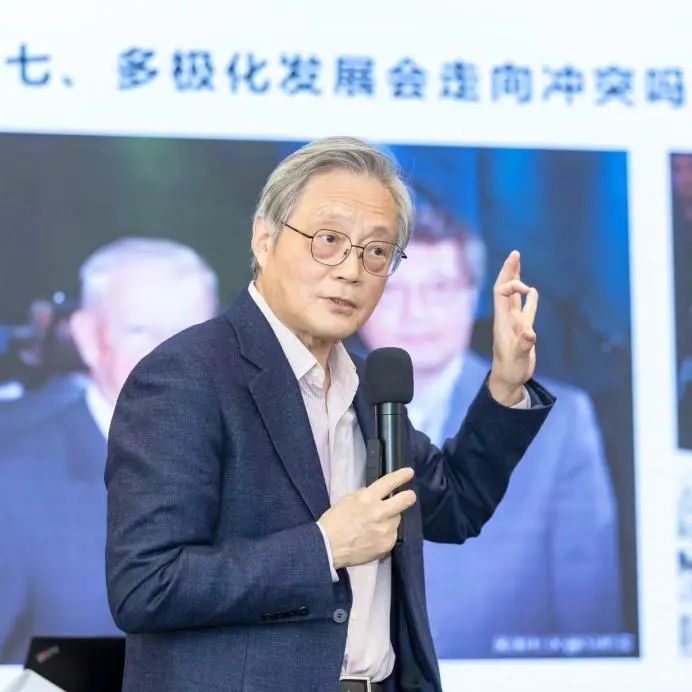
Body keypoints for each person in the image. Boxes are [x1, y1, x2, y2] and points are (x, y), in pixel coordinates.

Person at [104, 137, 555, 692]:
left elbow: (455, 505)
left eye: (376, 251)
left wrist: (506, 382)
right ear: (264, 239)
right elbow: (146, 584)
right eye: (329, 240)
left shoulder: (366, 386)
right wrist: (324, 548)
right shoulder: (187, 376)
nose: (351, 270)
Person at [358, 188, 622, 658]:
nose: (416, 312)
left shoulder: (556, 422)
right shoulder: (317, 405)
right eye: (393, 290)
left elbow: (589, 609)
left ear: (472, 298)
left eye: (440, 288)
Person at [0, 237, 218, 663]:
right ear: (86, 337)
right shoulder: (15, 483)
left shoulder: (257, 458)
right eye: (140, 330)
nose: (171, 355)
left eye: (192, 331)